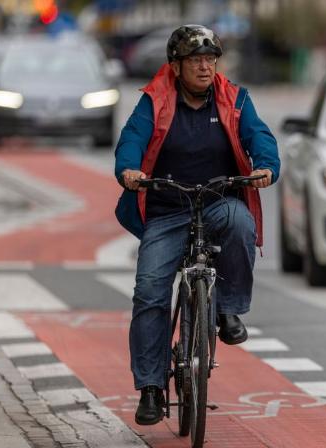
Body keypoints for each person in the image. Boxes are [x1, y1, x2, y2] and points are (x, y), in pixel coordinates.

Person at [113, 24, 280, 426]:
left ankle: (226, 310)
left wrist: (265, 167)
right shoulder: (154, 101)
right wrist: (129, 170)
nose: (205, 68)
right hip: (168, 208)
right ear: (175, 66)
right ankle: (152, 388)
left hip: (219, 201)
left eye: (211, 59)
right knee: (149, 291)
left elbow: (260, 137)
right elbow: (132, 140)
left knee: (242, 225)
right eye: (195, 60)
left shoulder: (235, 99)